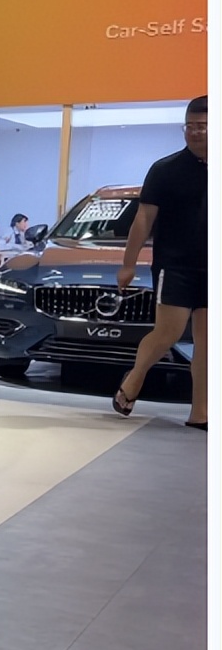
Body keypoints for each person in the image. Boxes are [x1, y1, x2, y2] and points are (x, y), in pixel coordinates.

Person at [113, 96, 208, 429]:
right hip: (175, 265)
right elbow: (143, 219)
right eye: (190, 126)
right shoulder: (165, 170)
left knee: (208, 342)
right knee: (168, 332)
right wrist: (128, 264)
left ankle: (200, 412)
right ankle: (135, 376)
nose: (195, 132)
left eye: (203, 126)